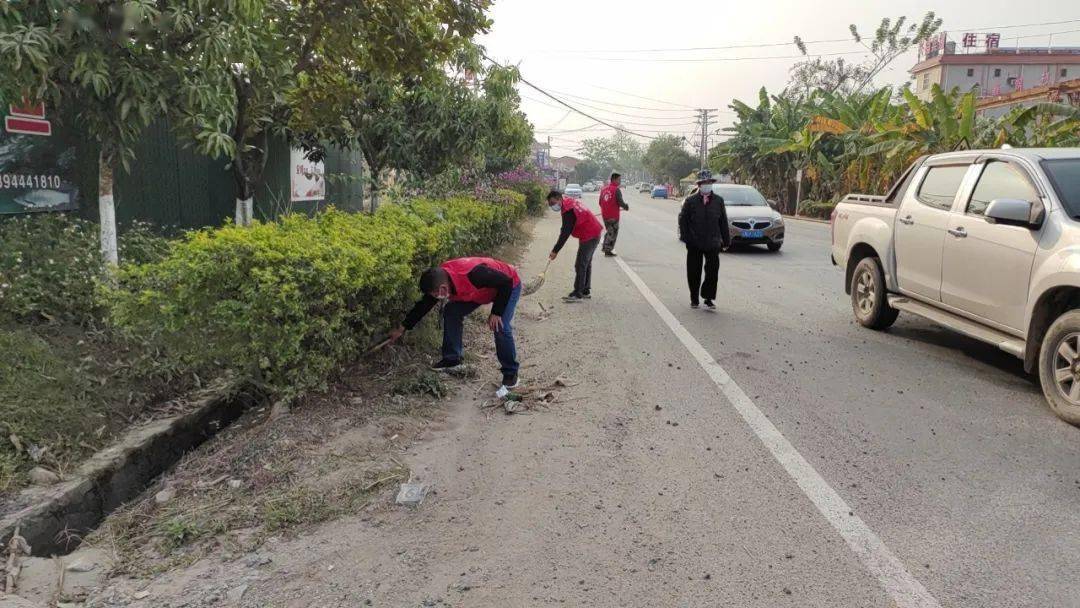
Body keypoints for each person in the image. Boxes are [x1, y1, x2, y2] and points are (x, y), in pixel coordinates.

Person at [389, 257, 522, 388]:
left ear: (442, 289)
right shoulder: (440, 279)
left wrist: (497, 312)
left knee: (500, 326)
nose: (434, 298)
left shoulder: (475, 274)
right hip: (480, 292)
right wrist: (403, 327)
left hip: (508, 286)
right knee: (451, 311)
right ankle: (452, 359)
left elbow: (506, 282)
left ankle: (510, 373)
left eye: (434, 294)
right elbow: (424, 305)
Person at [678, 169, 731, 310]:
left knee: (712, 272)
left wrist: (726, 241)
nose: (707, 185)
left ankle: (708, 298)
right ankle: (694, 298)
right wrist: (686, 238)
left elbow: (723, 222)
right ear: (699, 185)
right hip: (695, 242)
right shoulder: (690, 201)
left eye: (709, 182)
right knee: (693, 271)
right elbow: (683, 220)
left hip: (713, 242)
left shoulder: (718, 201)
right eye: (704, 183)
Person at [547, 189, 603, 303]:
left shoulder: (568, 209)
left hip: (590, 234)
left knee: (580, 264)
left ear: (559, 199)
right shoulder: (568, 203)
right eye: (550, 204)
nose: (552, 206)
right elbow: (565, 228)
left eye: (553, 203)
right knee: (586, 263)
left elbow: (565, 233)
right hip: (592, 232)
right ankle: (585, 290)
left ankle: (578, 294)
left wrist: (555, 250)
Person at [598, 172, 630, 257]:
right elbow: (620, 202)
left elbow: (600, 202)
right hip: (613, 216)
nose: (620, 181)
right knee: (613, 233)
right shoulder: (616, 190)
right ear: (614, 180)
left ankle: (606, 247)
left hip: (605, 215)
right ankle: (607, 250)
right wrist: (626, 207)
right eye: (619, 179)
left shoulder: (604, 189)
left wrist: (606, 209)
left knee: (609, 231)